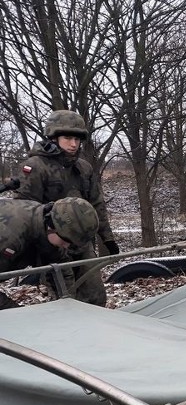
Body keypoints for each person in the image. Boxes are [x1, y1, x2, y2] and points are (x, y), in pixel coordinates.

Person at [14, 109, 117, 306]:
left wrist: (108, 238)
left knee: (96, 295)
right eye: (68, 138)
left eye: (77, 139)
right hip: (52, 244)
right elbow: (25, 210)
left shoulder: (83, 168)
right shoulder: (35, 166)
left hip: (81, 241)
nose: (73, 144)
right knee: (66, 299)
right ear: (54, 138)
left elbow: (96, 204)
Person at [1, 197, 100, 309]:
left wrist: (69, 306)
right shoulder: (9, 236)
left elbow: (60, 271)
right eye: (66, 240)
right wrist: (14, 312)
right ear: (52, 227)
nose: (67, 246)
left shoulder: (45, 224)